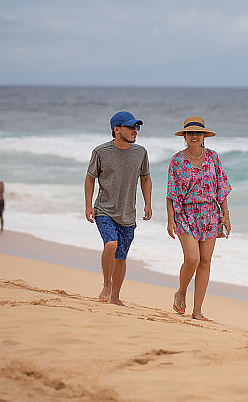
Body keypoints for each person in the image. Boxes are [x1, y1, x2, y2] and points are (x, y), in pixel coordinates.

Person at [167, 116, 232, 321]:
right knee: (192, 258)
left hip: (210, 215)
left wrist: (226, 215)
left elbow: (221, 188)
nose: (194, 136)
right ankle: (181, 292)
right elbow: (171, 193)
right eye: (190, 133)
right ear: (184, 136)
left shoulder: (213, 157)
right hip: (185, 214)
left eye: (198, 133)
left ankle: (197, 311)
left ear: (204, 136)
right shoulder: (177, 160)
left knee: (205, 261)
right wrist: (171, 221)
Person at [84, 111, 152, 305]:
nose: (135, 131)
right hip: (104, 209)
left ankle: (115, 297)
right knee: (111, 245)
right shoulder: (100, 152)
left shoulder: (140, 152)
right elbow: (90, 178)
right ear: (117, 129)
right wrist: (88, 205)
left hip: (128, 214)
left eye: (136, 127)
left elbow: (146, 179)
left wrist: (148, 203)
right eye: (131, 127)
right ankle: (107, 284)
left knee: (121, 257)